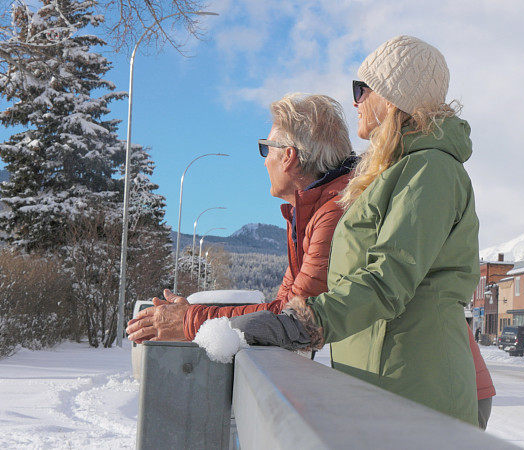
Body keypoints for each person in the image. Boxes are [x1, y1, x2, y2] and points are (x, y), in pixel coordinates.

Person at [222, 35, 484, 426]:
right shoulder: (390, 173)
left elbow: (387, 278)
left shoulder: (431, 170)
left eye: (362, 89)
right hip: (377, 384)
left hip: (417, 391)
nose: (356, 100)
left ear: (394, 97)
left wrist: (304, 322)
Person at [126, 93, 355, 342]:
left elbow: (293, 319)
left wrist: (191, 321)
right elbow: (281, 307)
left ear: (288, 156)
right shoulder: (311, 213)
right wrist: (191, 316)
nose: (265, 162)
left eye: (266, 149)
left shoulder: (332, 213)